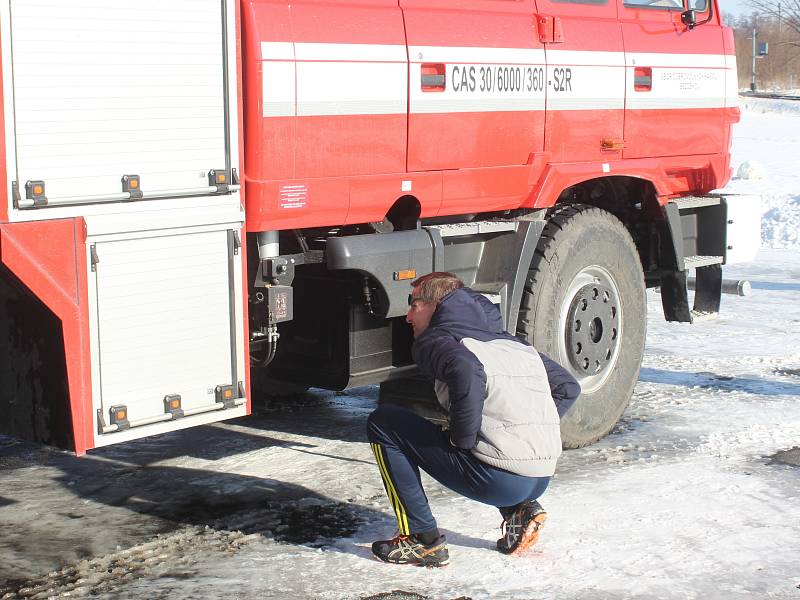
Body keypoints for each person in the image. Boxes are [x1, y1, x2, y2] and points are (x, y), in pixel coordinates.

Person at [367, 272, 581, 567]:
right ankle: (520, 512)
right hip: (540, 478)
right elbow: (569, 387)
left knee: (384, 422)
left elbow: (466, 370)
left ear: (434, 305)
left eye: (413, 304)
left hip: (497, 480)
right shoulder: (512, 344)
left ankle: (422, 540)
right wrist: (524, 426)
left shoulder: (437, 340)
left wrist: (461, 439)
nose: (408, 315)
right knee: (487, 432)